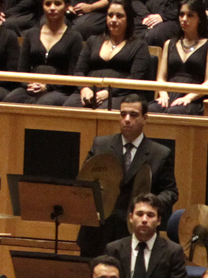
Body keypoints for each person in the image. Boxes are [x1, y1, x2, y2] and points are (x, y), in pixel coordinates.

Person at [75, 92, 179, 254]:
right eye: (123, 114)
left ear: (145, 118)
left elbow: (171, 192)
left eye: (133, 115)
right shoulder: (100, 145)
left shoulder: (160, 153)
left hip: (135, 233)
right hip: (97, 233)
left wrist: (149, 205)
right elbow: (83, 182)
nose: (127, 119)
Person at [105, 193, 186, 278]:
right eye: (139, 214)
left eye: (150, 215)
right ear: (131, 217)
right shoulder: (114, 249)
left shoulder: (173, 251)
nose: (144, 219)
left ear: (159, 220)